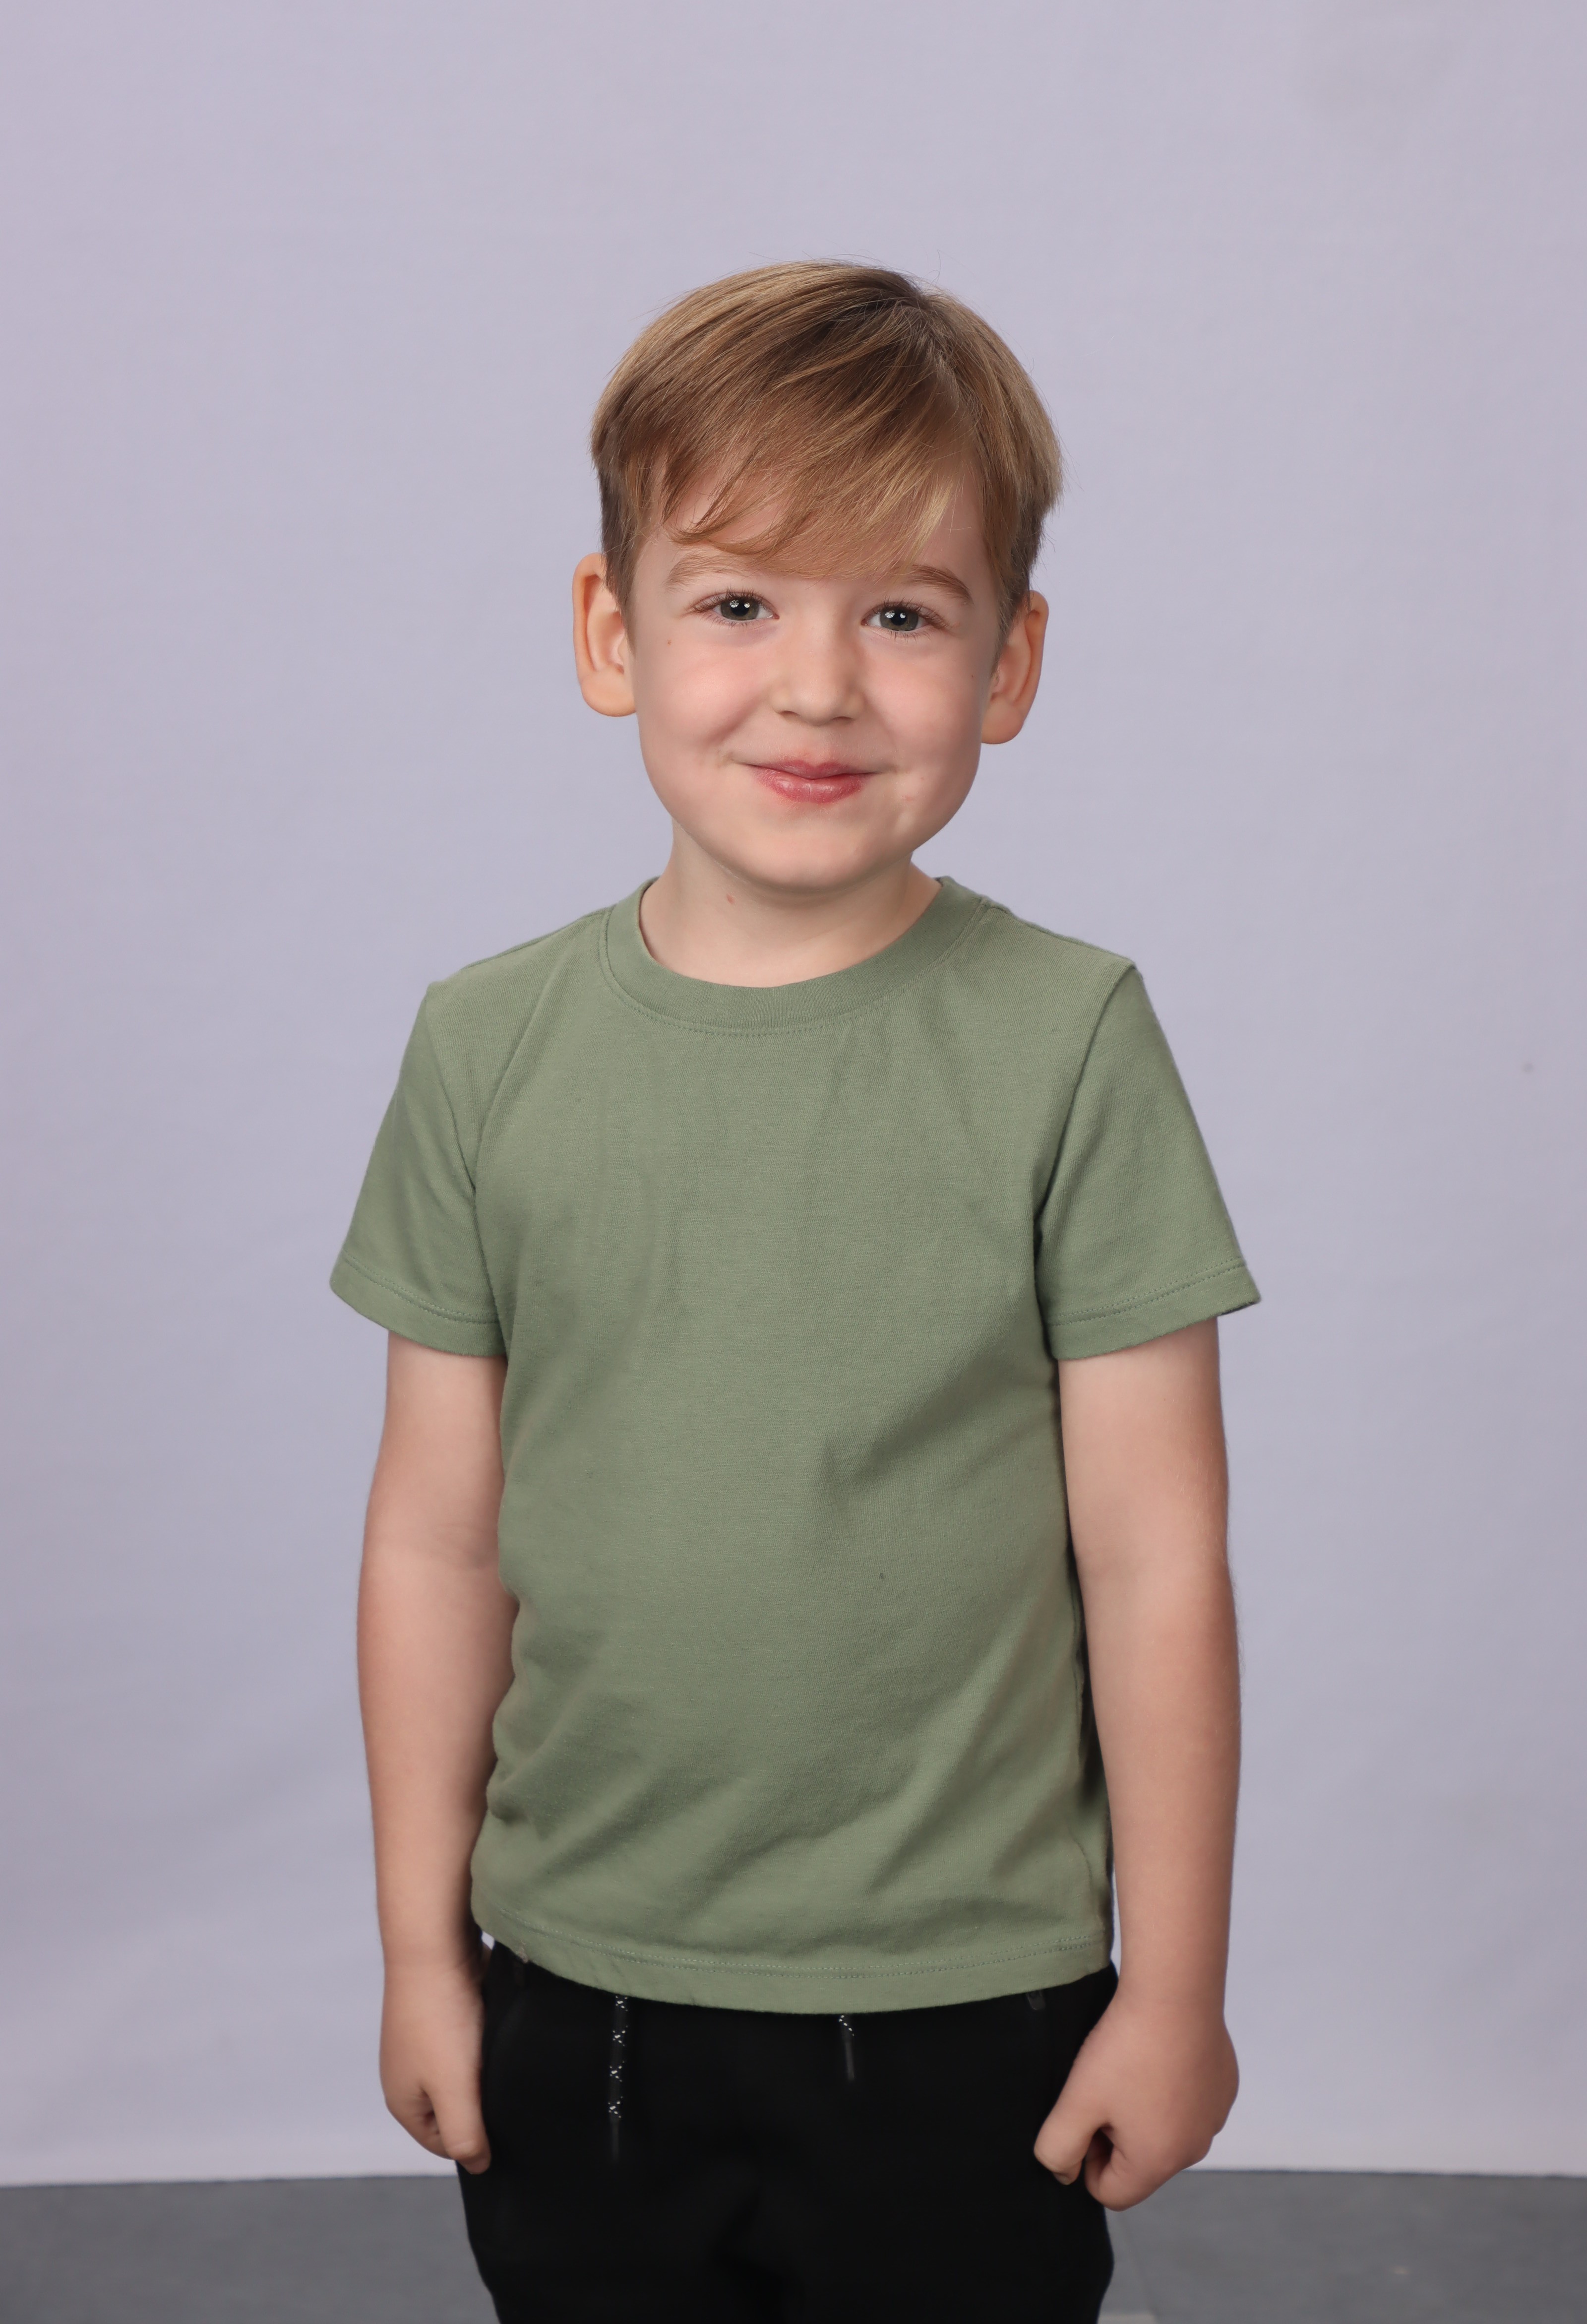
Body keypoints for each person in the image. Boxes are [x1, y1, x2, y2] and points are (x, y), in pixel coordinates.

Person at [331, 261, 1259, 2324]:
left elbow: (1154, 1555)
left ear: (1009, 662)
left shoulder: (1068, 1042)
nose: (818, 686)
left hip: (969, 2004)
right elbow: (435, 1538)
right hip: (581, 1995)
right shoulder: (487, 1048)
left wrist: (1175, 1991)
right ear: (613, 634)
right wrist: (416, 1949)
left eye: (902, 615)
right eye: (740, 600)